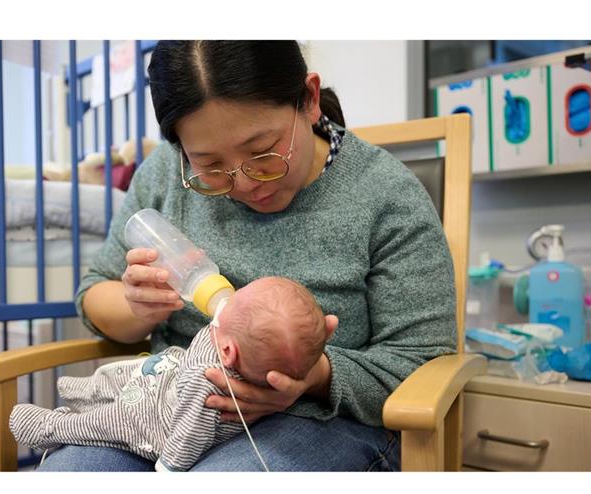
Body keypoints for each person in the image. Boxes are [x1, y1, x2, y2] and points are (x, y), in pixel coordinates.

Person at [39, 40, 457, 471]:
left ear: (309, 100)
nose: (244, 183)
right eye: (211, 166)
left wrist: (317, 376)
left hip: (322, 420)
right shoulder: (165, 175)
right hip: (164, 409)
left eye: (263, 153)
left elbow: (421, 360)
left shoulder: (385, 195)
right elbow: (94, 294)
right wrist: (136, 305)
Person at [10, 276, 331, 471]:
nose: (228, 297)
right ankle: (86, 391)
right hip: (165, 373)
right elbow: (93, 290)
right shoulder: (233, 344)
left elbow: (188, 437)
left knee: (103, 423)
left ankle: (52, 426)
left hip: (151, 423)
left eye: (234, 304)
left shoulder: (207, 388)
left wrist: (169, 469)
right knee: (120, 377)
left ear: (229, 353)